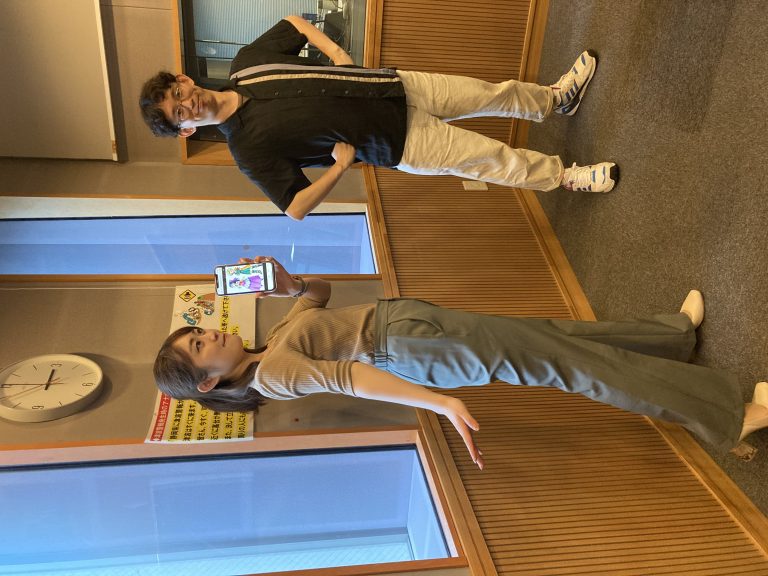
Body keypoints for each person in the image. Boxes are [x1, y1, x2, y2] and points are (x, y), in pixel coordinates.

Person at [154, 256, 768, 469]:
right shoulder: (273, 376)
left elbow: (321, 296)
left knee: (554, 338)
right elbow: (355, 378)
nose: (210, 333)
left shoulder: (271, 343)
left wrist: (289, 284)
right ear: (208, 382)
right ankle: (728, 414)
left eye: (198, 330)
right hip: (414, 350)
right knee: (566, 365)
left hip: (411, 326)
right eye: (199, 345)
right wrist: (440, 403)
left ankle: (670, 337)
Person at [140, 16, 619, 221]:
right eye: (179, 113)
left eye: (178, 93)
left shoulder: (248, 63)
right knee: (494, 160)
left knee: (490, 92)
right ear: (186, 128)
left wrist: (338, 55)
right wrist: (338, 169)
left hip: (395, 85)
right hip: (399, 142)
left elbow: (295, 24)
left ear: (184, 79)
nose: (188, 103)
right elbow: (295, 208)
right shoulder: (247, 150)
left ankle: (556, 99)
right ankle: (566, 177)